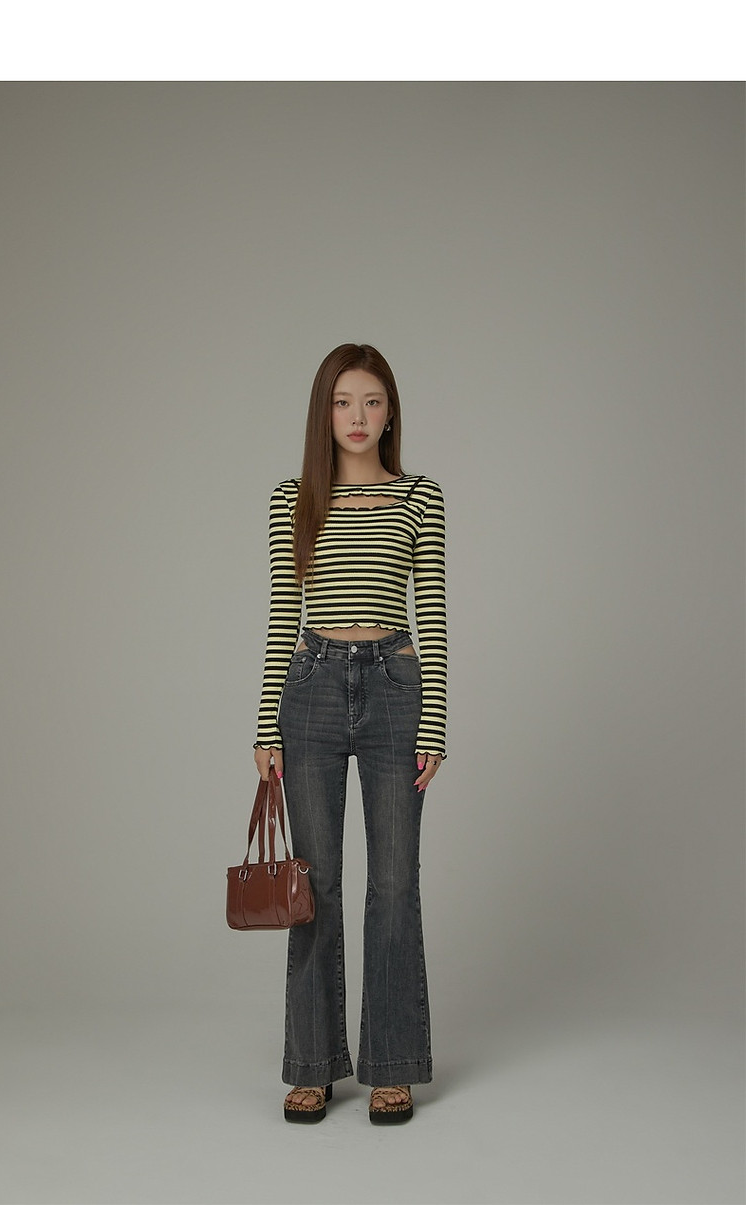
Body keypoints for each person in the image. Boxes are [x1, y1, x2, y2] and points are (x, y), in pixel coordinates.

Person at [252, 343, 447, 1125]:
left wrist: (435, 718)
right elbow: (281, 614)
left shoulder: (420, 497)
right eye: (342, 401)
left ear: (391, 411)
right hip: (312, 688)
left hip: (395, 686)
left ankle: (393, 1064)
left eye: (371, 401)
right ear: (323, 413)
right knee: (315, 883)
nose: (357, 416)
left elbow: (432, 609)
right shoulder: (292, 497)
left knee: (394, 883)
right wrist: (265, 723)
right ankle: (313, 1062)